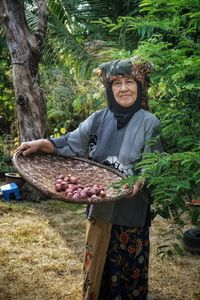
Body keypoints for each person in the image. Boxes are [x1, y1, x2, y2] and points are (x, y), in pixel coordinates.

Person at [18, 55, 164, 300]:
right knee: (97, 270)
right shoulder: (99, 118)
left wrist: (141, 179)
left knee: (128, 273)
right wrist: (44, 143)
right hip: (99, 209)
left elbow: (155, 161)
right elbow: (72, 143)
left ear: (140, 87)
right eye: (116, 83)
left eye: (130, 82)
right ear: (110, 89)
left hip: (131, 212)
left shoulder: (150, 123)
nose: (123, 88)